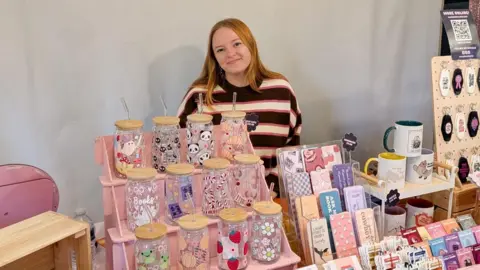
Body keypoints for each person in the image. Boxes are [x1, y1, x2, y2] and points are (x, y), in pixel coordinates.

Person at [176, 18, 302, 195]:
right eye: (220, 50)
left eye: (237, 44)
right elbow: (179, 150)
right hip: (214, 201)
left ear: (251, 45)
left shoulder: (281, 91)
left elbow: (292, 148)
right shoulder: (199, 97)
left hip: (270, 201)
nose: (230, 53)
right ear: (214, 58)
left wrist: (270, 189)